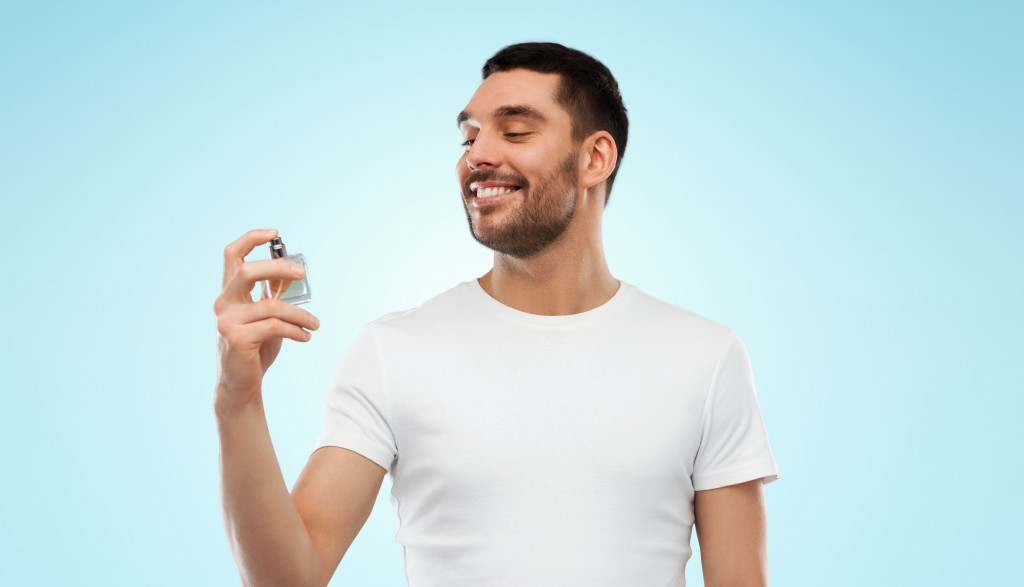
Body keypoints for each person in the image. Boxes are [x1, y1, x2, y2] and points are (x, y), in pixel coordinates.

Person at [215, 42, 781, 587]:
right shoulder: (394, 352)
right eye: (469, 136)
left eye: (514, 132)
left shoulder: (705, 357)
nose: (478, 155)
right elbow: (290, 579)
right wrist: (237, 400)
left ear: (594, 158)